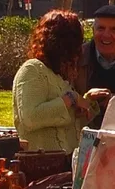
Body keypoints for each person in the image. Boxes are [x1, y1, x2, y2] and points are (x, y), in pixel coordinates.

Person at [11, 10, 93, 153]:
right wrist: (71, 98)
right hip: (41, 166)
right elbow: (30, 117)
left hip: (66, 166)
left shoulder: (61, 77)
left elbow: (66, 126)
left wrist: (89, 104)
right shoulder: (32, 70)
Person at [76, 3, 115, 125]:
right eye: (101, 28)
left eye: (114, 29)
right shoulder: (76, 58)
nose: (106, 35)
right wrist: (87, 100)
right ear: (92, 31)